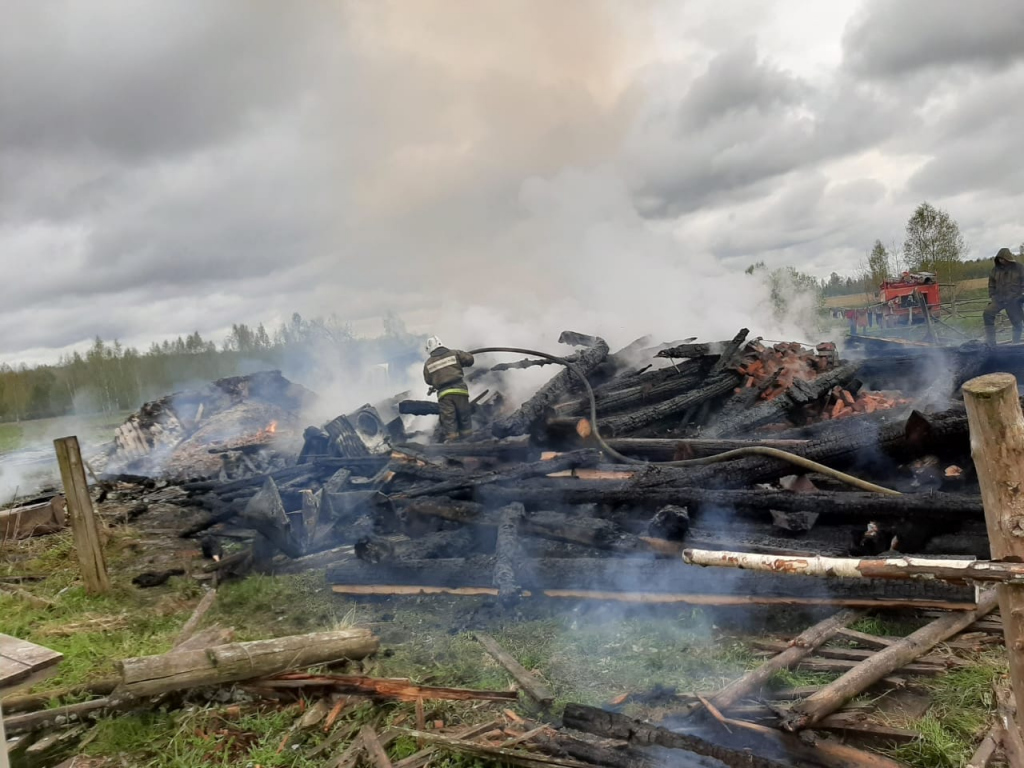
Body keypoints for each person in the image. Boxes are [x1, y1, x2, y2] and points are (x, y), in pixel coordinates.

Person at [422, 336, 475, 441]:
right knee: (464, 416)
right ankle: (469, 441)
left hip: (444, 394)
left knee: (449, 419)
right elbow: (470, 360)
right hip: (460, 391)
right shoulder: (455, 353)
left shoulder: (428, 363)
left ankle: (453, 442)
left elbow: (428, 380)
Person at [984, 248, 1024, 344]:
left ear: (1008, 258)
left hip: (1014, 299)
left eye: (1003, 259)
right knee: (987, 313)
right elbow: (991, 285)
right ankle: (991, 342)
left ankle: (1016, 344)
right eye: (1000, 259)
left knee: (1017, 324)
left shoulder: (1019, 268)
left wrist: (1022, 295)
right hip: (999, 299)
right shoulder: (995, 270)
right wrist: (993, 295)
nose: (1001, 261)